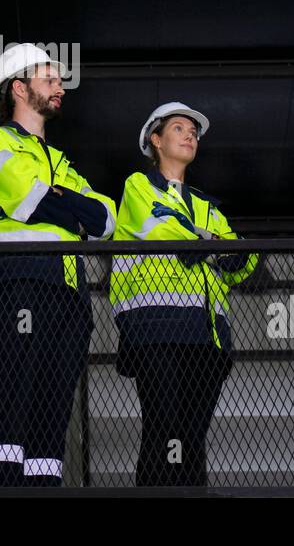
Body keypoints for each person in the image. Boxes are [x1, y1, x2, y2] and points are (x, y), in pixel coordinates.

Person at [0, 43, 115, 486]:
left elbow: (105, 220)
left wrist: (59, 200)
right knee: (9, 391)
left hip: (68, 291)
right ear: (18, 87)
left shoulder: (61, 160)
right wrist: (69, 204)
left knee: (53, 409)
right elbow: (29, 199)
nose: (60, 87)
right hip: (16, 277)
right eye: (49, 78)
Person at [110, 101, 257, 486]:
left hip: (206, 336)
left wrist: (208, 243)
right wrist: (212, 242)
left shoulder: (206, 204)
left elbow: (246, 259)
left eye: (193, 131)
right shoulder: (138, 186)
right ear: (155, 140)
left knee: (192, 440)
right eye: (179, 128)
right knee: (162, 430)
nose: (190, 134)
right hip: (156, 328)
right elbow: (163, 232)